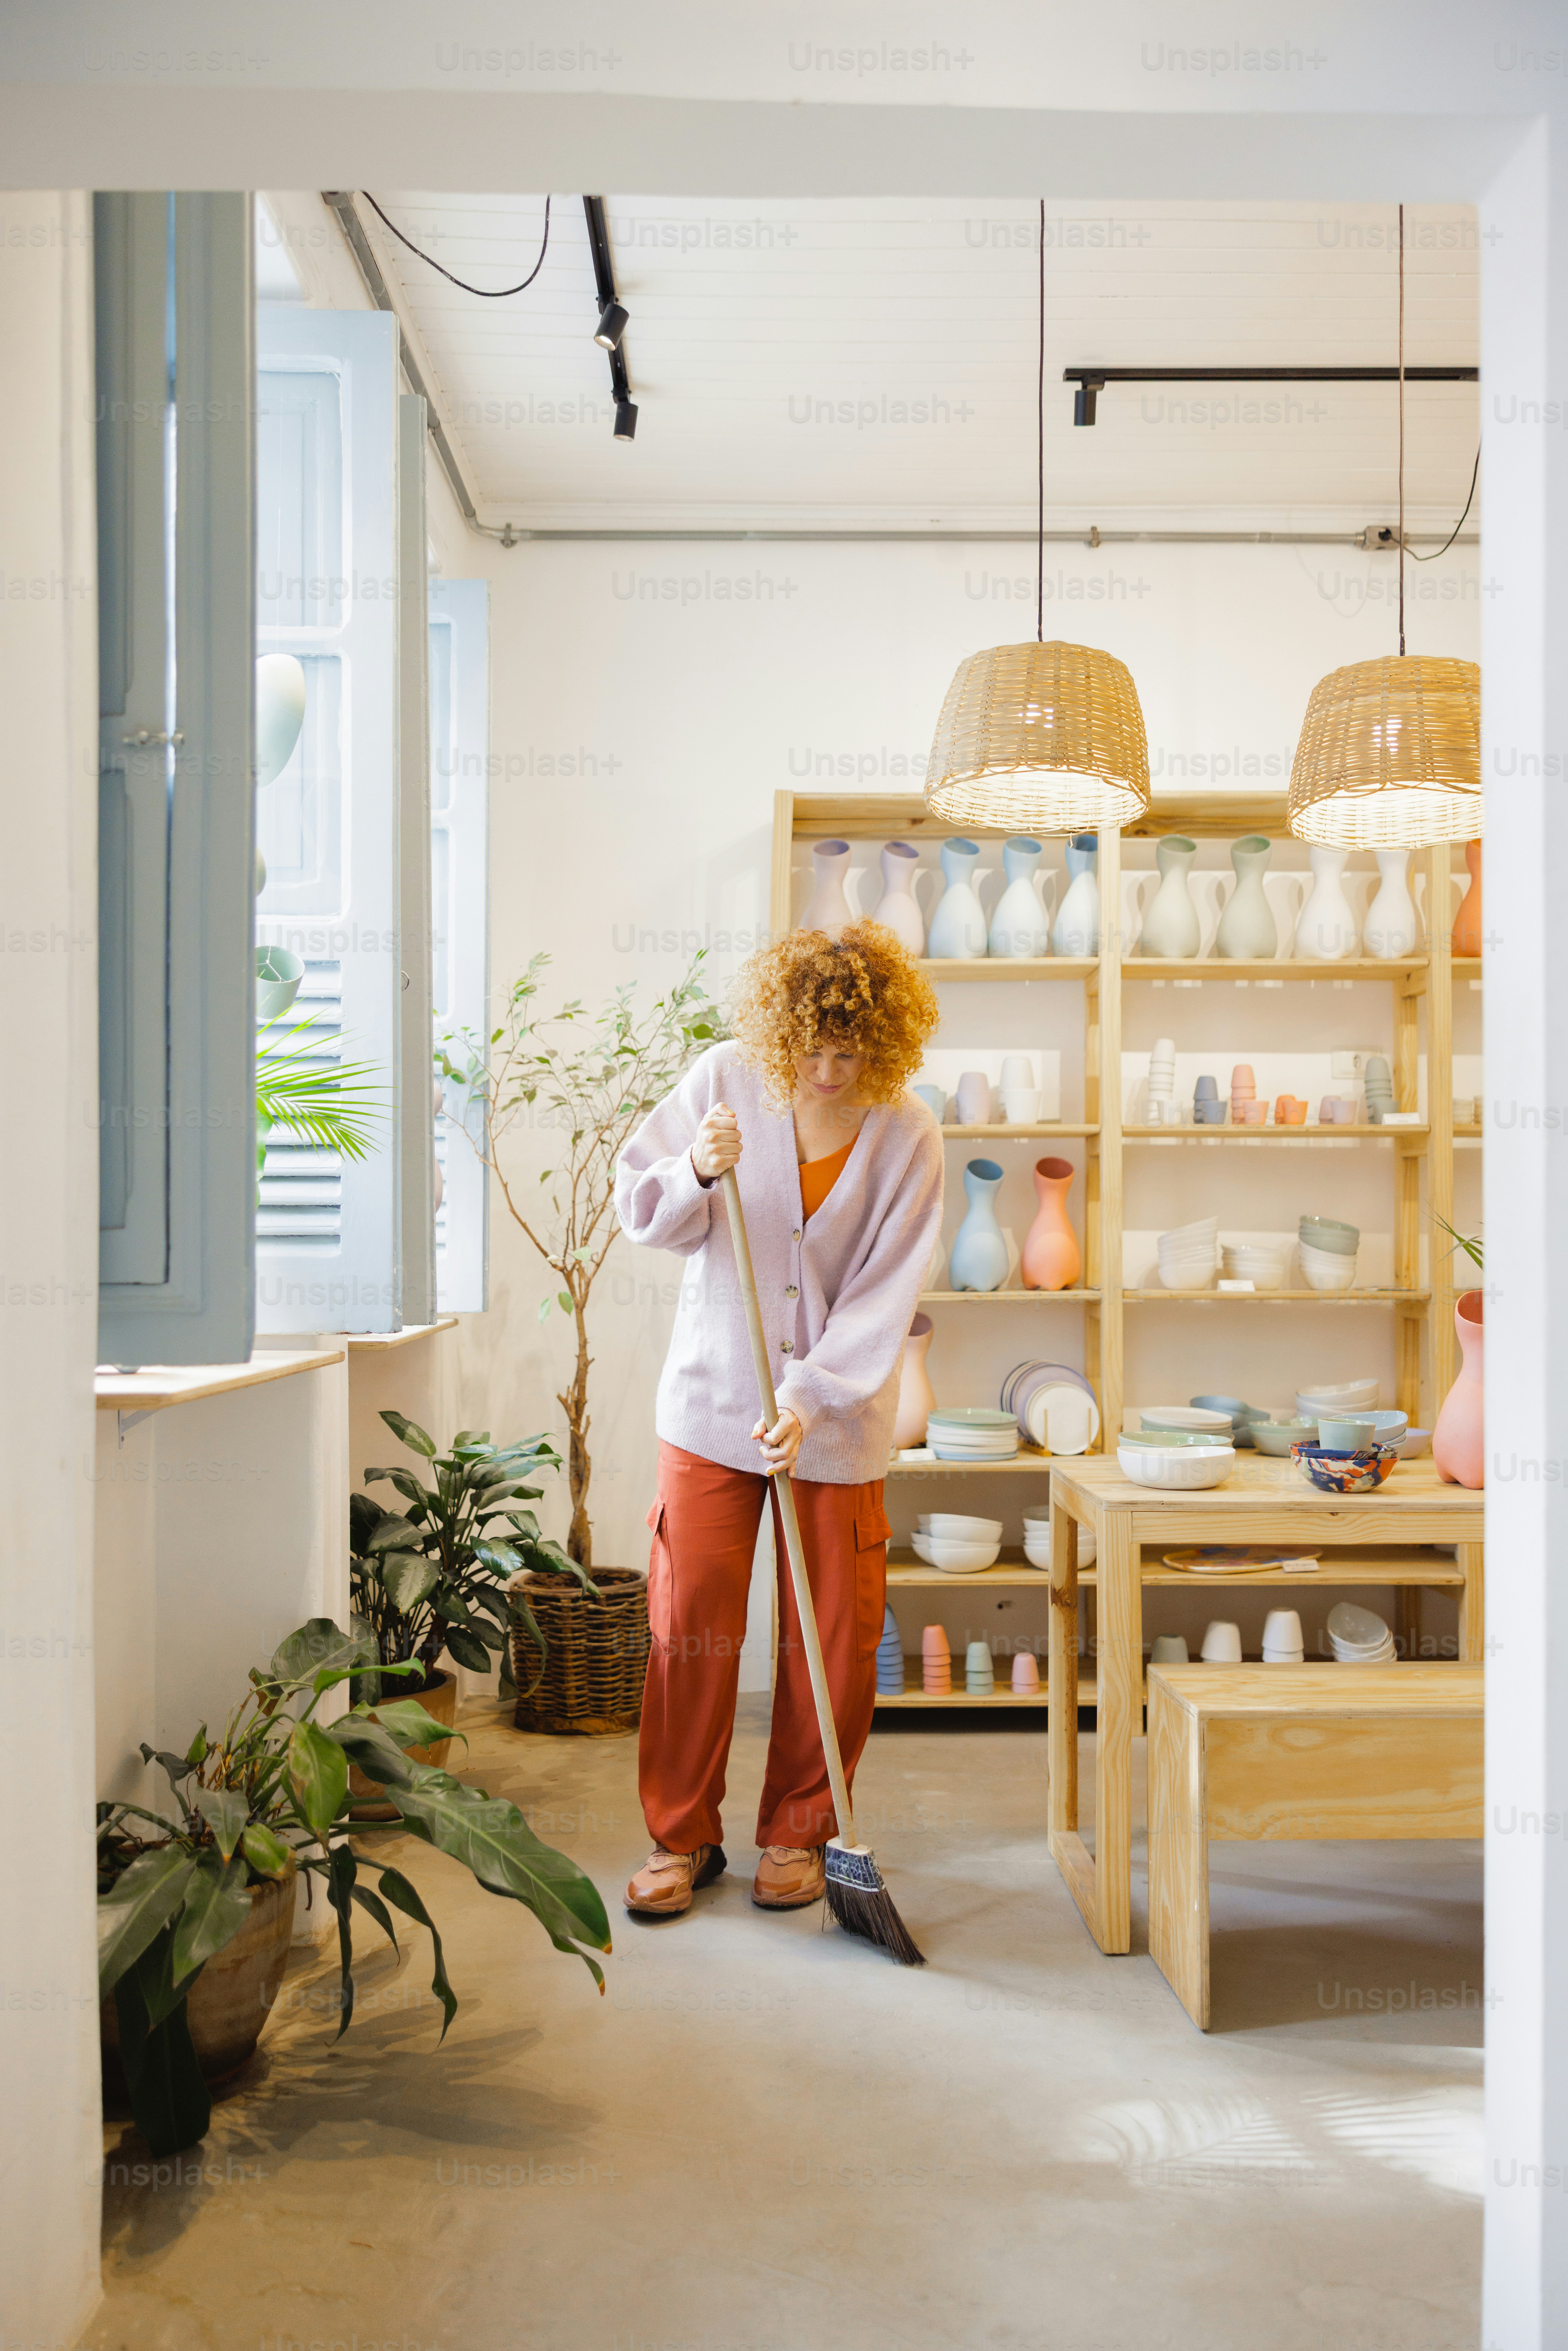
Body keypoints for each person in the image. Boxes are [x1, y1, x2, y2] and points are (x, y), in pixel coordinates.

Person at [613, 919, 943, 1918]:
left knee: (834, 1635)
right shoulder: (722, 1083)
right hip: (714, 1406)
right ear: (781, 1029)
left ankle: (801, 1830)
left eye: (852, 1052)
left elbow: (885, 1295)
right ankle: (680, 1838)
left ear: (883, 1046)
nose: (830, 1071)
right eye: (813, 1047)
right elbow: (640, 1210)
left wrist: (807, 1401)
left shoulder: (910, 1134)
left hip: (835, 1423)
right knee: (691, 1622)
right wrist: (695, 1174)